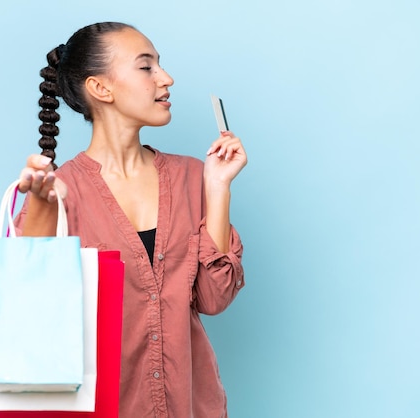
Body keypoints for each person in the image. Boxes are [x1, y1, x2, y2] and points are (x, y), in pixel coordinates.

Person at [14, 22, 247, 418]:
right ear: (100, 88)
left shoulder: (194, 177)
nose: (166, 78)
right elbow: (28, 301)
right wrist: (40, 205)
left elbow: (213, 298)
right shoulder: (60, 191)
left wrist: (219, 187)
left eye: (160, 65)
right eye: (146, 67)